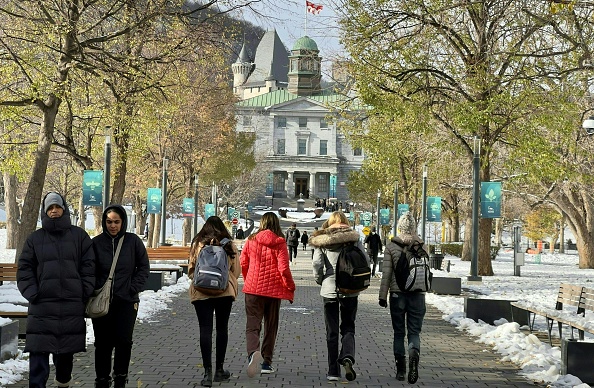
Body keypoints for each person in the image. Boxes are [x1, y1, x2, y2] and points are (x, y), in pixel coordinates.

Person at [17, 192, 95, 388]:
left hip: (70, 305)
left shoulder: (79, 236)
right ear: (45, 211)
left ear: (64, 209)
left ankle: (63, 382)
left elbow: (89, 266)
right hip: (42, 306)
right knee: (38, 353)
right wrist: (33, 293)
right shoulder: (35, 239)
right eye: (50, 208)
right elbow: (25, 268)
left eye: (57, 207)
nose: (54, 211)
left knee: (65, 356)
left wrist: (83, 291)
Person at [91, 205, 150, 388]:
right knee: (102, 343)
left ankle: (120, 378)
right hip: (102, 301)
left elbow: (143, 267)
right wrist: (94, 288)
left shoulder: (132, 241)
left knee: (124, 341)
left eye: (116, 222)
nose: (113, 226)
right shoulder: (96, 243)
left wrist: (133, 288)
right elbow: (88, 269)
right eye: (109, 222)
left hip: (126, 301)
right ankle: (102, 379)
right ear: (104, 222)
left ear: (123, 222)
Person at [310, 211, 370, 382]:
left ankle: (333, 371)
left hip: (329, 289)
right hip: (350, 289)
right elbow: (365, 259)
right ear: (345, 222)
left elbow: (316, 263)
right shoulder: (354, 238)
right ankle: (348, 355)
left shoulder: (323, 239)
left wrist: (320, 279)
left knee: (332, 331)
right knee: (349, 326)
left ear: (330, 223)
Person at [240, 212, 295, 378]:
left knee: (252, 325)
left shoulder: (251, 240)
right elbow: (283, 269)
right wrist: (290, 286)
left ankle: (252, 353)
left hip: (252, 289)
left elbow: (243, 262)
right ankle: (266, 363)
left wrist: (248, 278)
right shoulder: (279, 242)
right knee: (271, 326)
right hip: (273, 291)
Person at [188, 216, 241, 387]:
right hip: (224, 292)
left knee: (205, 329)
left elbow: (191, 269)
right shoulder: (228, 244)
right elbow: (236, 271)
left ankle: (207, 373)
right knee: (221, 329)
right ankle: (219, 370)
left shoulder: (198, 244)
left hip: (201, 293)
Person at [378, 212, 427, 384]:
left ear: (399, 227)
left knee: (399, 333)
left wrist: (382, 296)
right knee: (414, 332)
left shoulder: (391, 246)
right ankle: (414, 352)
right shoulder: (422, 245)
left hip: (397, 295)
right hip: (417, 295)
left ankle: (400, 370)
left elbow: (386, 274)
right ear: (414, 227)